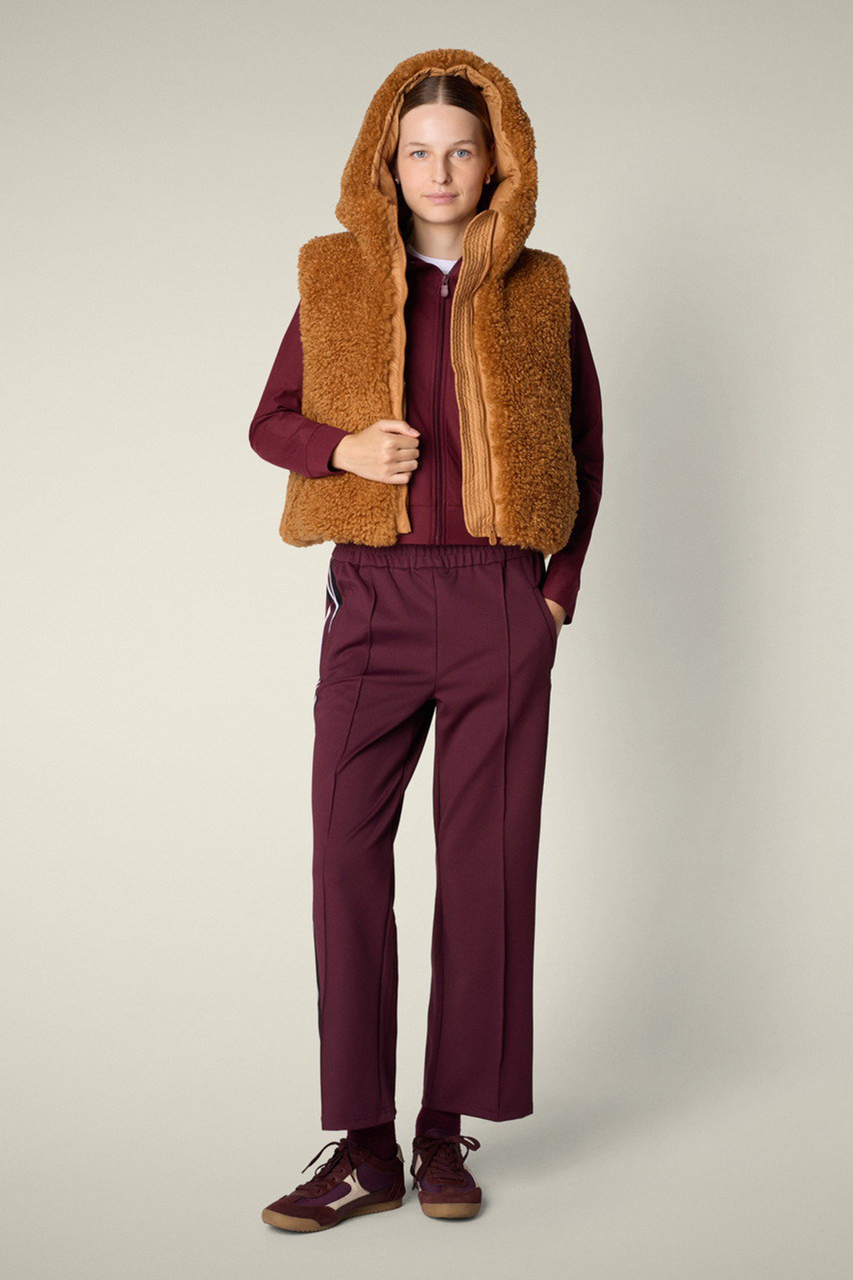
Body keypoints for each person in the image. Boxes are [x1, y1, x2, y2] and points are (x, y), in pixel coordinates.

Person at [250, 48, 603, 1232]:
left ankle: (445, 1130)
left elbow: (583, 445)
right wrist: (343, 450)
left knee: (487, 868)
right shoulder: (337, 279)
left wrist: (554, 592)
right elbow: (270, 421)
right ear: (385, 164)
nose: (439, 170)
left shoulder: (541, 290)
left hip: (501, 601)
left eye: (460, 149)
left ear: (496, 160)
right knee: (344, 856)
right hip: (375, 599)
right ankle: (362, 1143)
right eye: (418, 151)